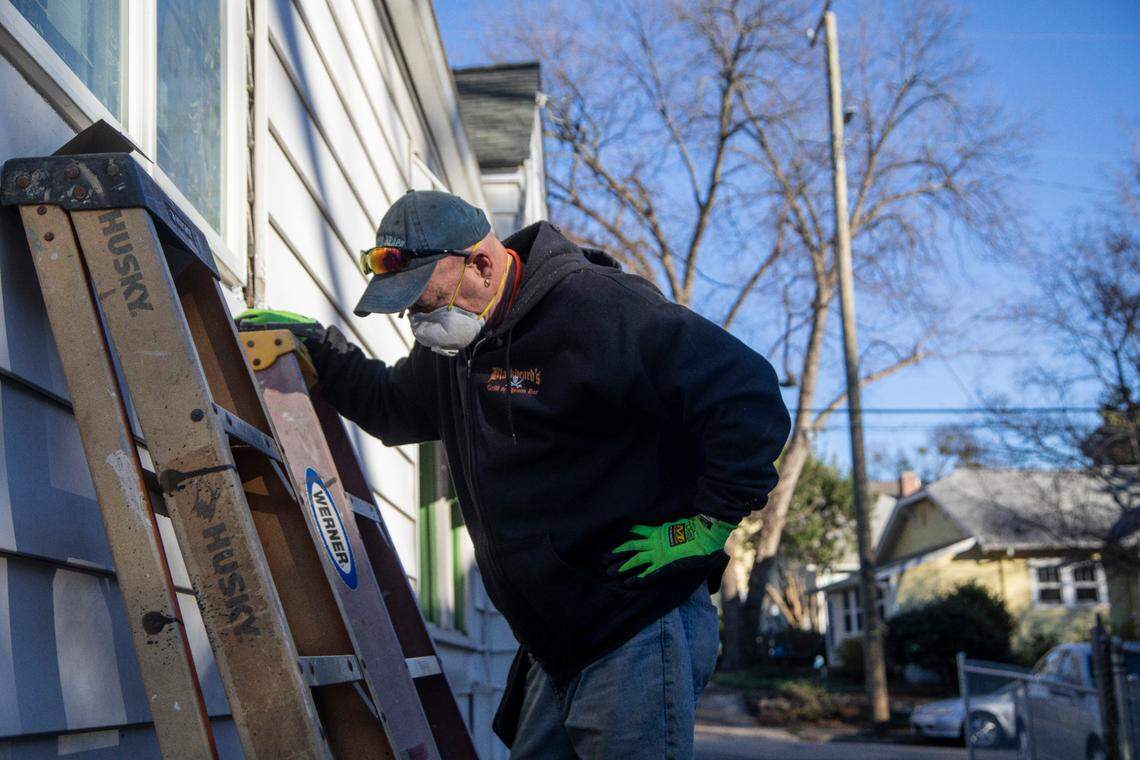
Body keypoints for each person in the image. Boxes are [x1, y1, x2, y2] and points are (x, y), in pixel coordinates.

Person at [237, 190, 790, 759]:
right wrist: (321, 352)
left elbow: (744, 392)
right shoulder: (461, 349)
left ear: (481, 264)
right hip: (556, 646)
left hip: (637, 626)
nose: (419, 322)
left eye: (426, 303)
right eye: (409, 311)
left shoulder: (596, 308)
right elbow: (392, 405)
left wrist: (706, 526)